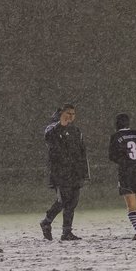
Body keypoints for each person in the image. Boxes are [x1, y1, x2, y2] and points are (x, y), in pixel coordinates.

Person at [40, 103, 90, 241]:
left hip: (74, 171)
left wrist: (84, 172)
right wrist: (60, 125)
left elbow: (82, 152)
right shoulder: (52, 128)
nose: (70, 117)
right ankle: (47, 221)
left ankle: (66, 232)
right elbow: (49, 138)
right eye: (68, 113)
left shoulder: (76, 130)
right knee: (63, 200)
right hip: (60, 171)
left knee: (72, 201)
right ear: (61, 113)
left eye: (73, 114)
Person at [108, 112, 136, 239]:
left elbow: (112, 156)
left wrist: (124, 161)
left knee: (130, 203)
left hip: (127, 171)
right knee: (135, 200)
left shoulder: (116, 136)